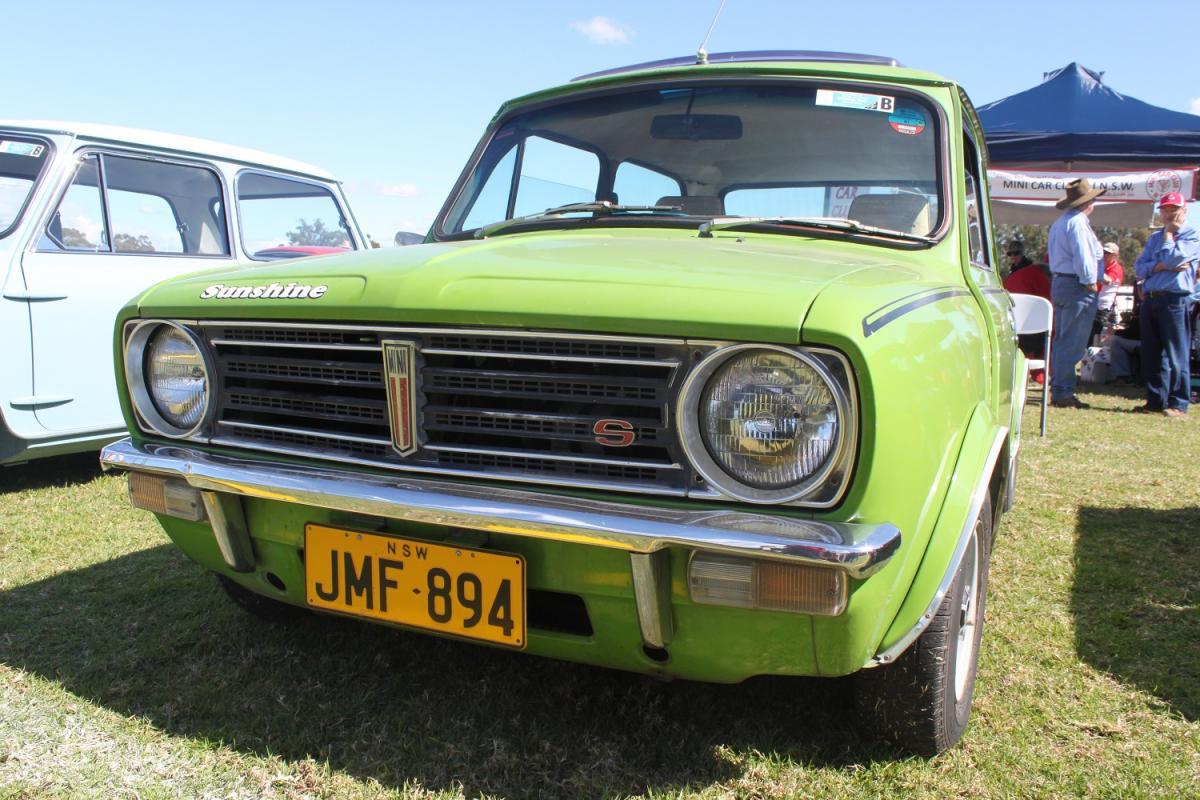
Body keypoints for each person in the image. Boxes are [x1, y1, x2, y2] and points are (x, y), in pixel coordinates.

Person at [1132, 192, 1200, 417]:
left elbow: (1174, 260)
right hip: (1151, 298)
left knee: (1176, 353)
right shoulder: (1153, 238)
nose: (1169, 214)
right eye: (1165, 209)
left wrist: (1170, 237)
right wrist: (1159, 267)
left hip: (1174, 299)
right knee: (1152, 354)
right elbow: (1139, 267)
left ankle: (1179, 402)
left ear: (1184, 211)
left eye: (1174, 209)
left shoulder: (1191, 236)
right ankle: (1155, 400)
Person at [1047, 178, 1106, 408]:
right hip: (1076, 285)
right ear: (1088, 202)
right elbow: (1083, 256)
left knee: (1062, 339)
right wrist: (1090, 281)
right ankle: (1063, 391)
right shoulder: (1079, 223)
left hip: (1062, 282)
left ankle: (1059, 387)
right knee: (1073, 341)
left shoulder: (1061, 222)